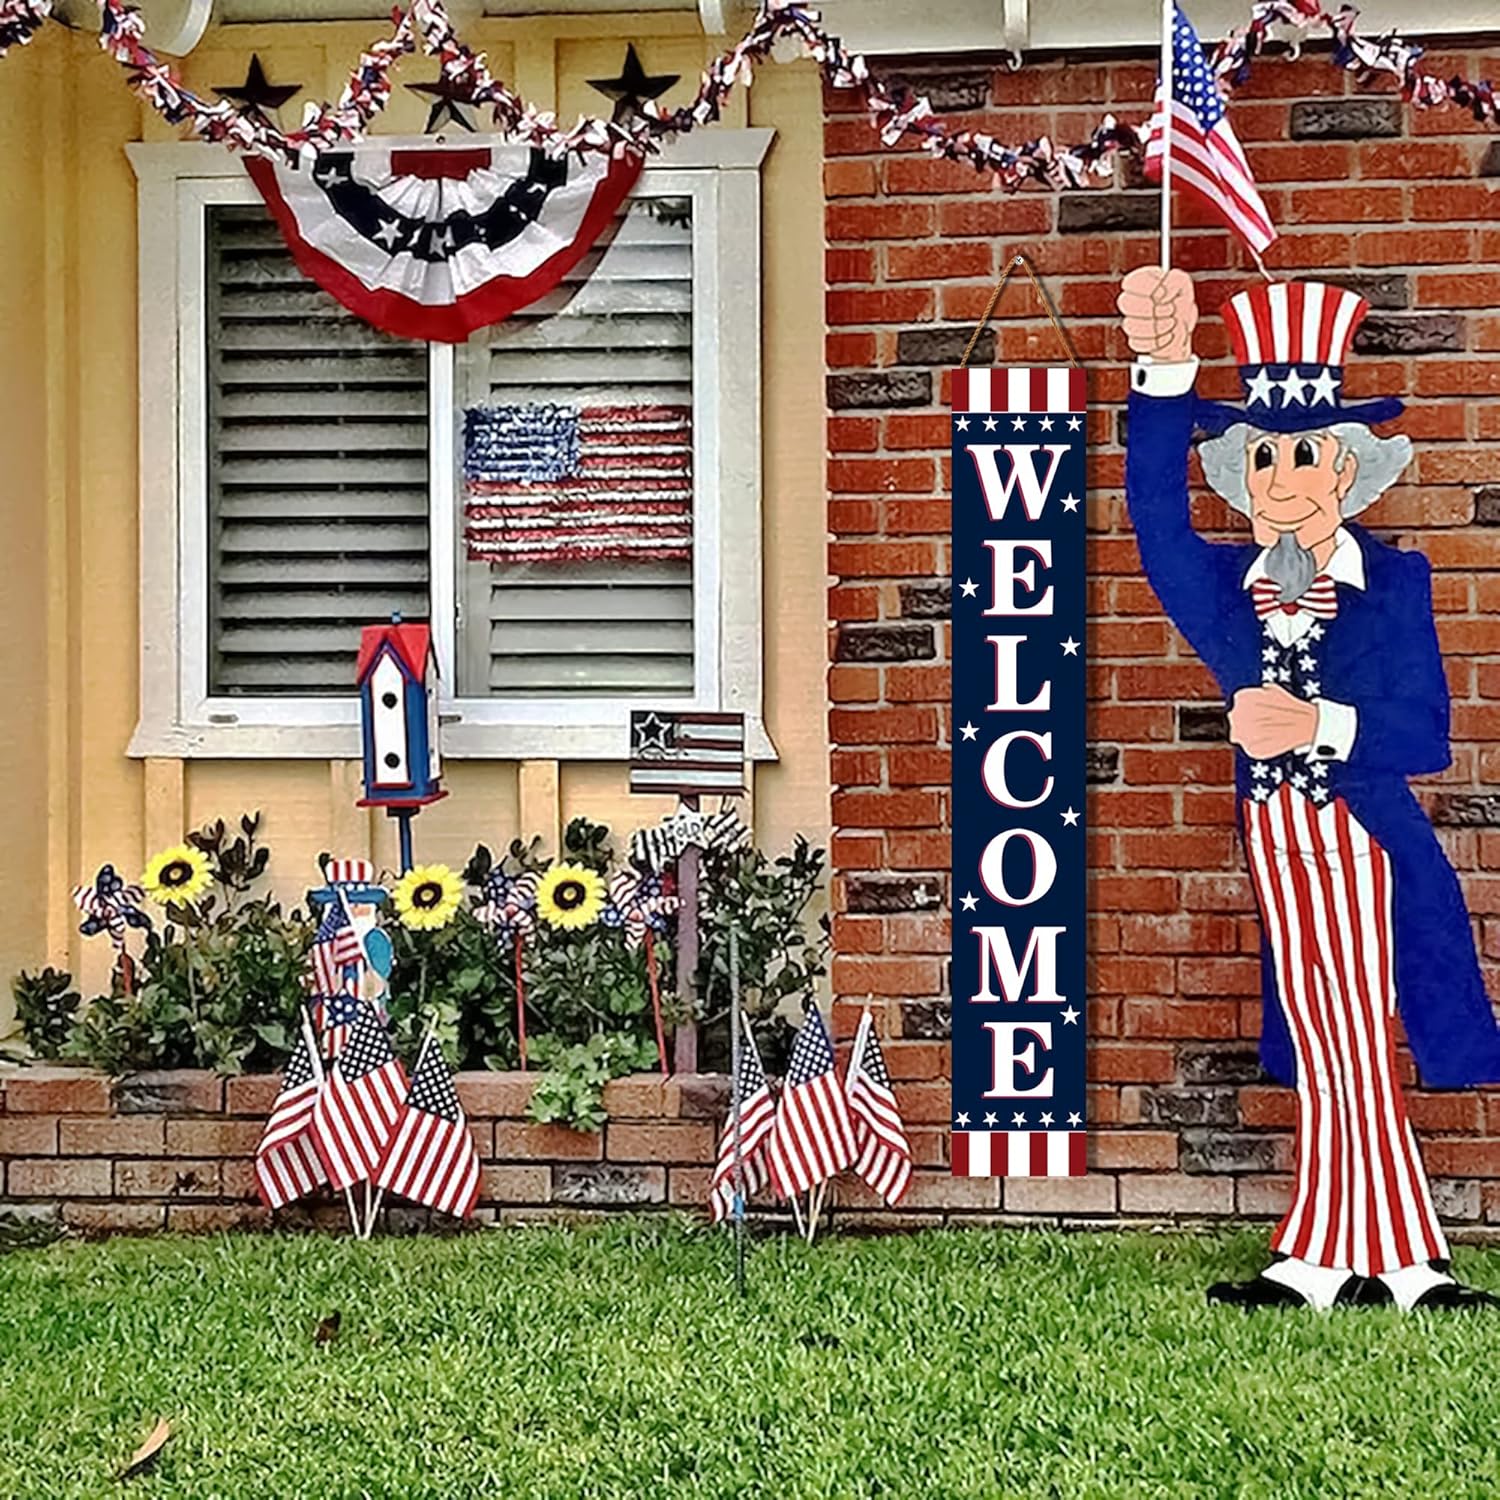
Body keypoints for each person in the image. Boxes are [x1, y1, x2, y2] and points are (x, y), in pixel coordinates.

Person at [1119, 266, 1500, 1309]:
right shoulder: (1225, 593)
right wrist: (1164, 370)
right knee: (1325, 1033)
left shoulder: (1396, 586)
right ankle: (1342, 1256)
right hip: (1278, 840)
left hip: (1361, 841)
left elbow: (1428, 733)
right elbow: (1154, 523)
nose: (1282, 480)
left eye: (1303, 455)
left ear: (1347, 467)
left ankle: (1391, 1262)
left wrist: (1319, 724)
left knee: (1358, 1038)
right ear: (1240, 474)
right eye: (1263, 457)